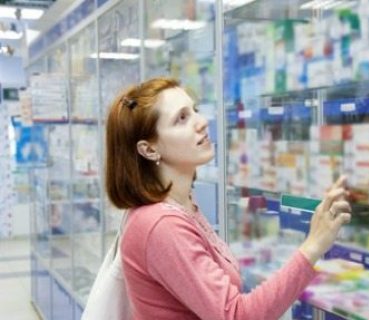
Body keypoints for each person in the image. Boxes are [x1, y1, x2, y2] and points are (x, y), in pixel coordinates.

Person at [105, 77, 352, 320]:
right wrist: (314, 244)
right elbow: (237, 315)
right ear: (149, 149)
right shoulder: (160, 225)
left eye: (195, 110)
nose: (201, 122)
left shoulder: (181, 204)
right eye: (181, 118)